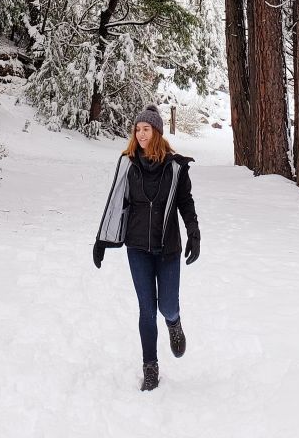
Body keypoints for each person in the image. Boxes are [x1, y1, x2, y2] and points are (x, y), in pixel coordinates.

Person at [92, 102, 201, 391]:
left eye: (146, 129)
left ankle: (174, 322)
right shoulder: (128, 163)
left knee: (166, 304)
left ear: (157, 132)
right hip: (137, 246)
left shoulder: (175, 167)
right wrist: (101, 240)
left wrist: (194, 231)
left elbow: (185, 202)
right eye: (138, 129)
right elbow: (116, 203)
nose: (141, 134)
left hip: (167, 248)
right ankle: (150, 367)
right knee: (145, 309)